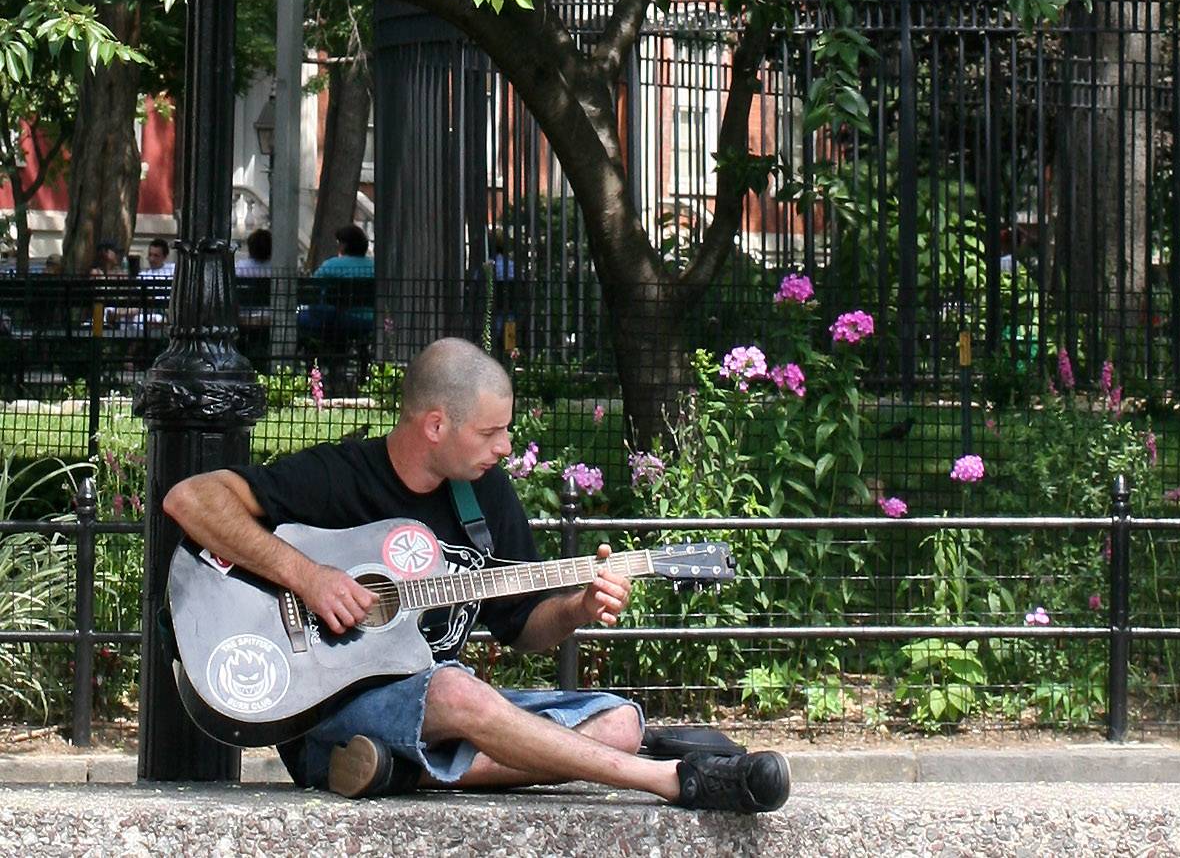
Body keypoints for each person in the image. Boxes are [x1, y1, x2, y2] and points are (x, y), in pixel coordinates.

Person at [163, 337, 789, 815]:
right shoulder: (339, 477)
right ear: (435, 425)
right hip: (327, 705)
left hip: (439, 709)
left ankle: (401, 771)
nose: (505, 446)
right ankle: (671, 781)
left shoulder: (485, 499)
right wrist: (308, 576)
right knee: (456, 691)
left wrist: (575, 609)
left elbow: (523, 628)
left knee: (621, 723)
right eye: (491, 431)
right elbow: (190, 500)